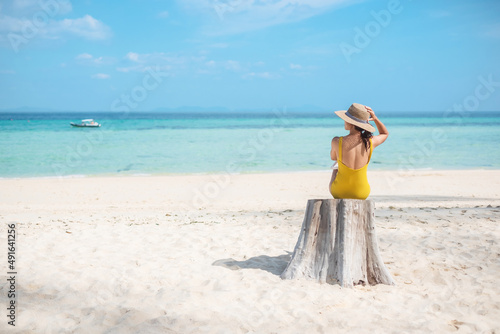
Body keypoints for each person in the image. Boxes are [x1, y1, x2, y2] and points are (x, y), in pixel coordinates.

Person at [329, 103, 389, 200]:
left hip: (339, 192)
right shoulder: (370, 142)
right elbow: (384, 133)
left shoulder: (336, 141)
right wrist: (375, 119)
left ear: (351, 122)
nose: (344, 121)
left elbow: (333, 157)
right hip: (362, 192)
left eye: (345, 119)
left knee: (336, 167)